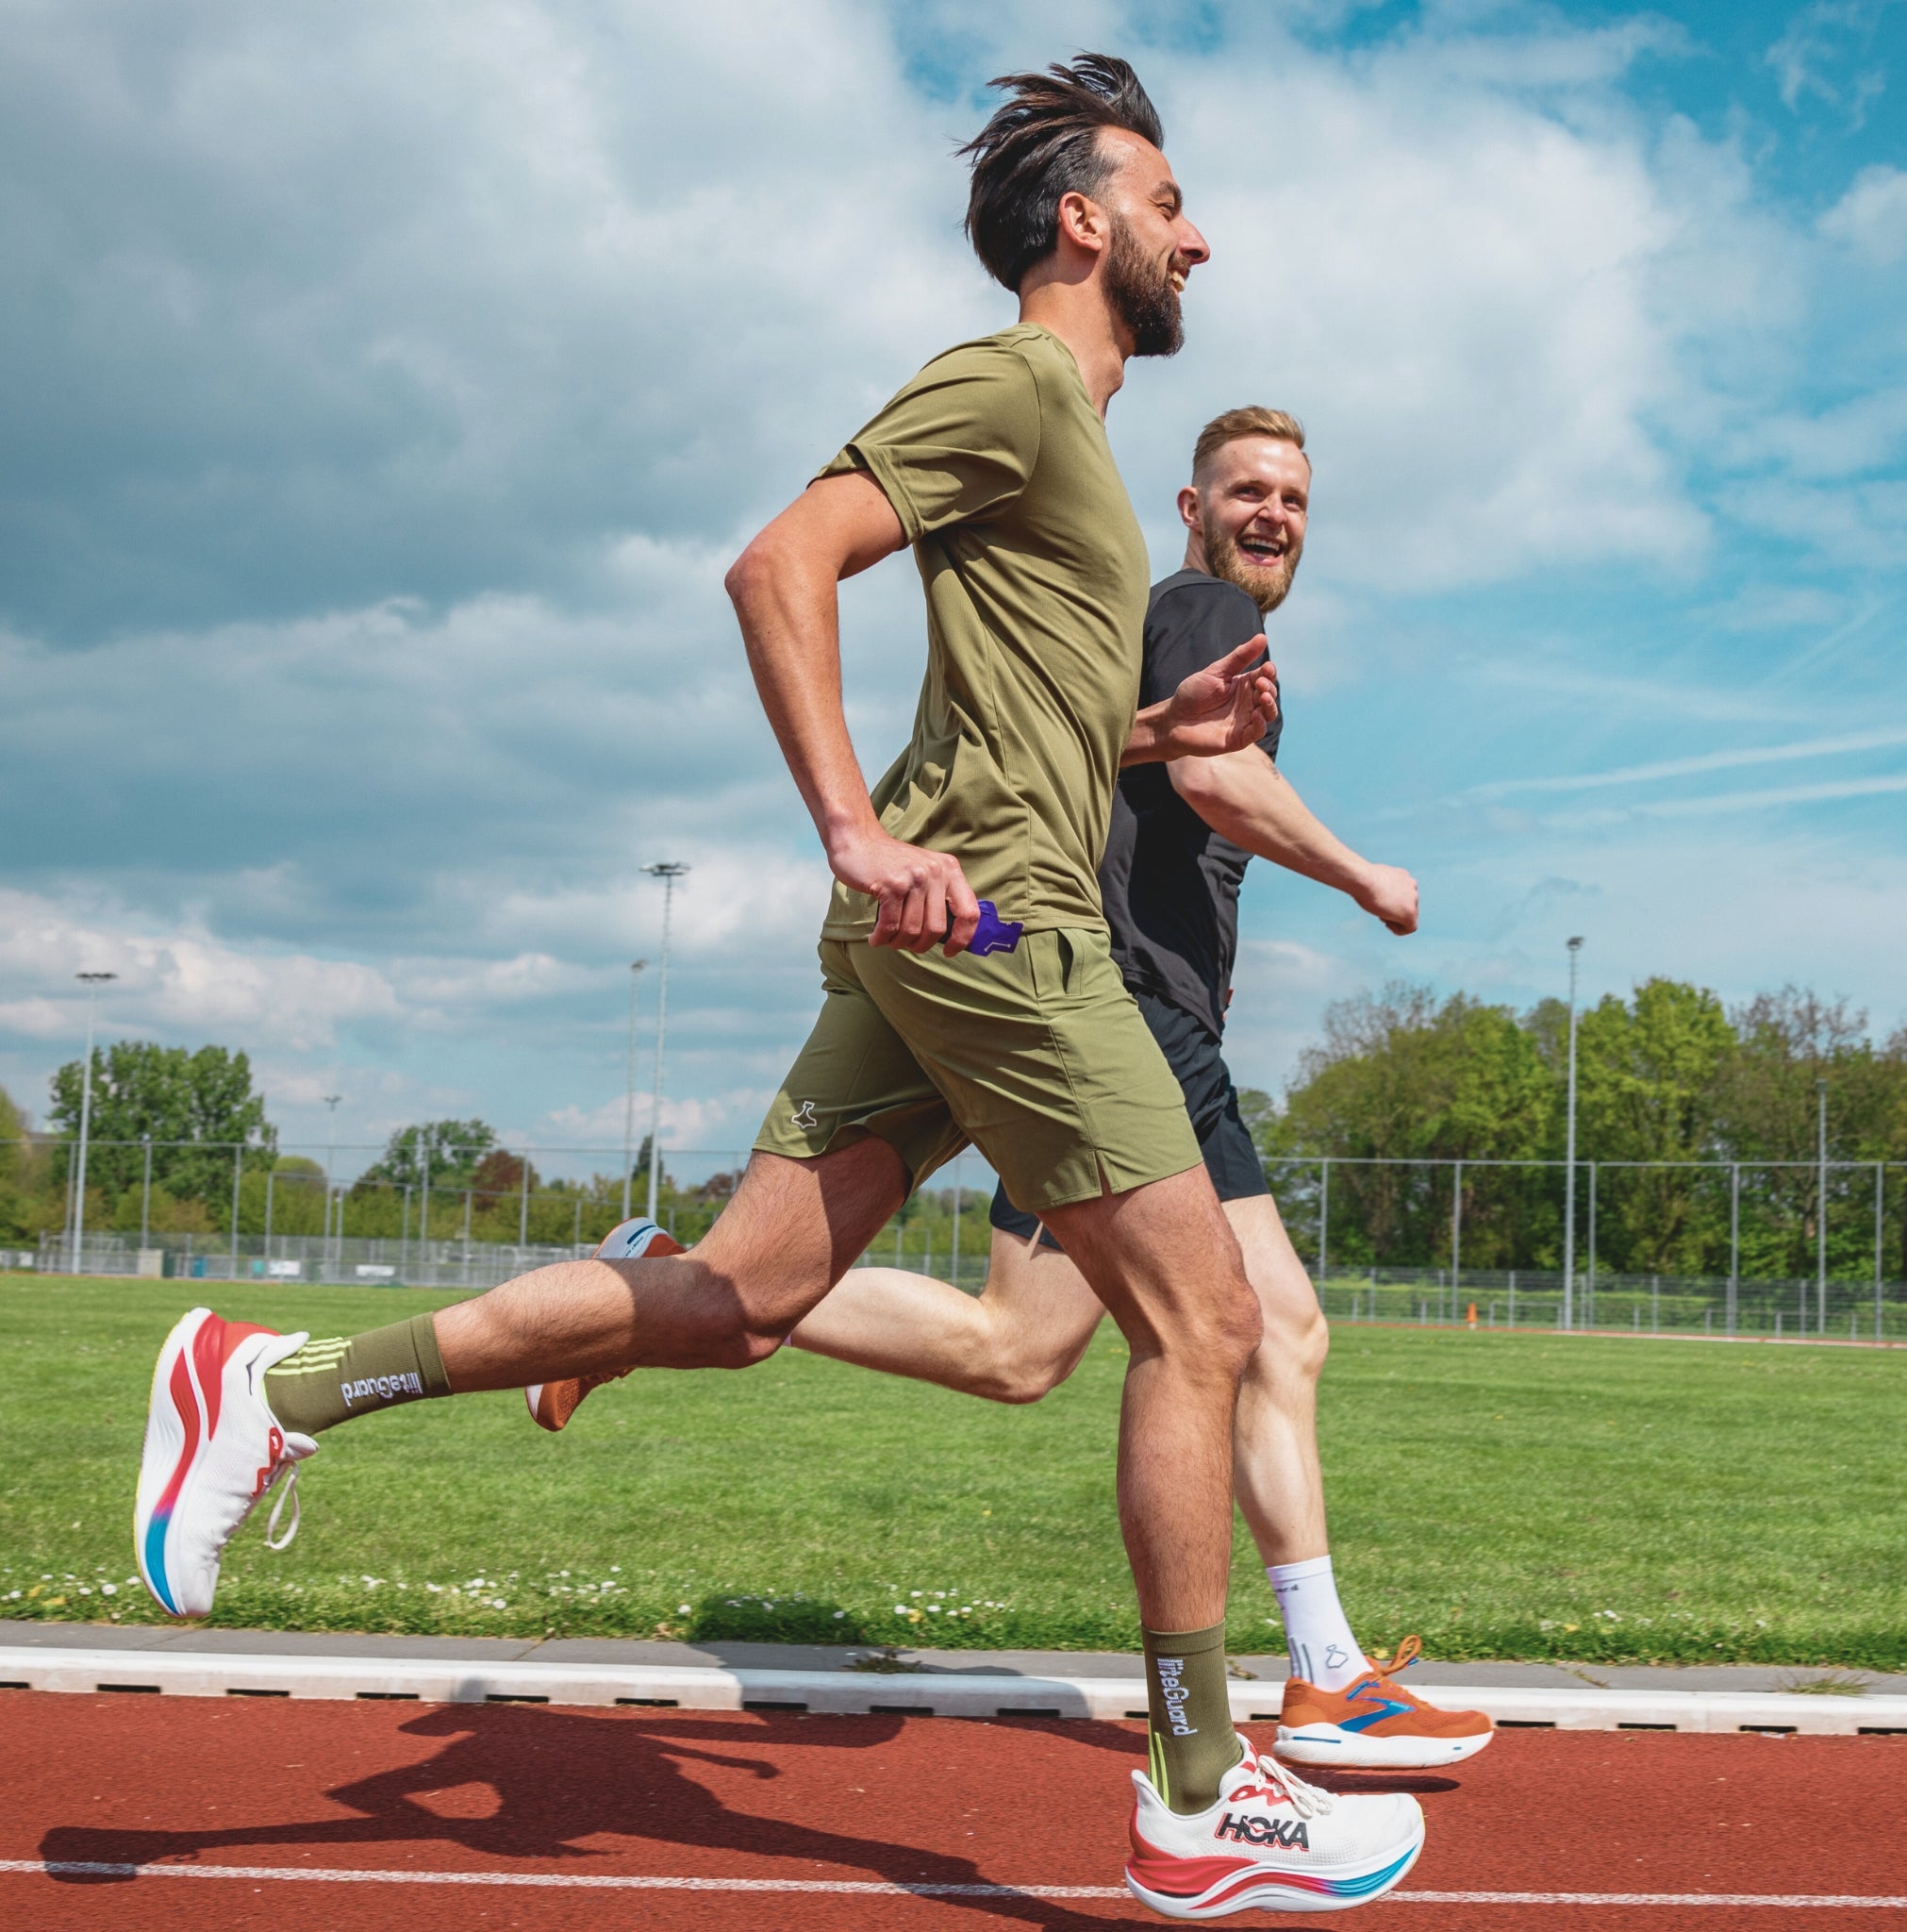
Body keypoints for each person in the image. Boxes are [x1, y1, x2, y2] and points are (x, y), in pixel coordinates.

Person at [135, 56, 1423, 1917]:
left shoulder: (1068, 444)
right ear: (1083, 221)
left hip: (957, 927)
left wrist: (1160, 724)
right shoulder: (1010, 381)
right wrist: (848, 828)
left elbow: (1024, 723)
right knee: (1205, 1324)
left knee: (736, 1299)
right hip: (1002, 933)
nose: (1192, 232)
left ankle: (276, 1384)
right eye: (1164, 198)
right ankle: (1200, 1783)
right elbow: (777, 564)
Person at [547, 410, 1493, 1774]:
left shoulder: (1171, 633)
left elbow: (1134, 757)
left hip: (1105, 1017)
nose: (1274, 514)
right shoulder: (1201, 607)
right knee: (1274, 1330)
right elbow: (1220, 782)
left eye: (1293, 497)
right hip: (1137, 1026)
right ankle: (1321, 1674)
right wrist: (1361, 873)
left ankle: (658, 1281)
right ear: (1192, 504)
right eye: (1249, 491)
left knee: (1019, 1349)